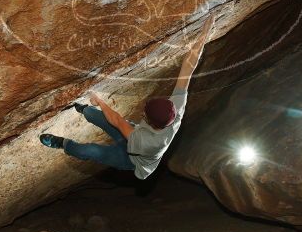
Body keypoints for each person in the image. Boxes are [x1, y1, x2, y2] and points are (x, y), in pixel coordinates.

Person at [39, 13, 215, 180]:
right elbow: (188, 69)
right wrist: (204, 35)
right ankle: (84, 110)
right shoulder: (175, 110)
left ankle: (62, 144)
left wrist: (98, 100)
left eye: (145, 113)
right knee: (92, 114)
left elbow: (116, 120)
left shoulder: (147, 142)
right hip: (135, 135)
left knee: (91, 151)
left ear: (151, 121)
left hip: (131, 159)